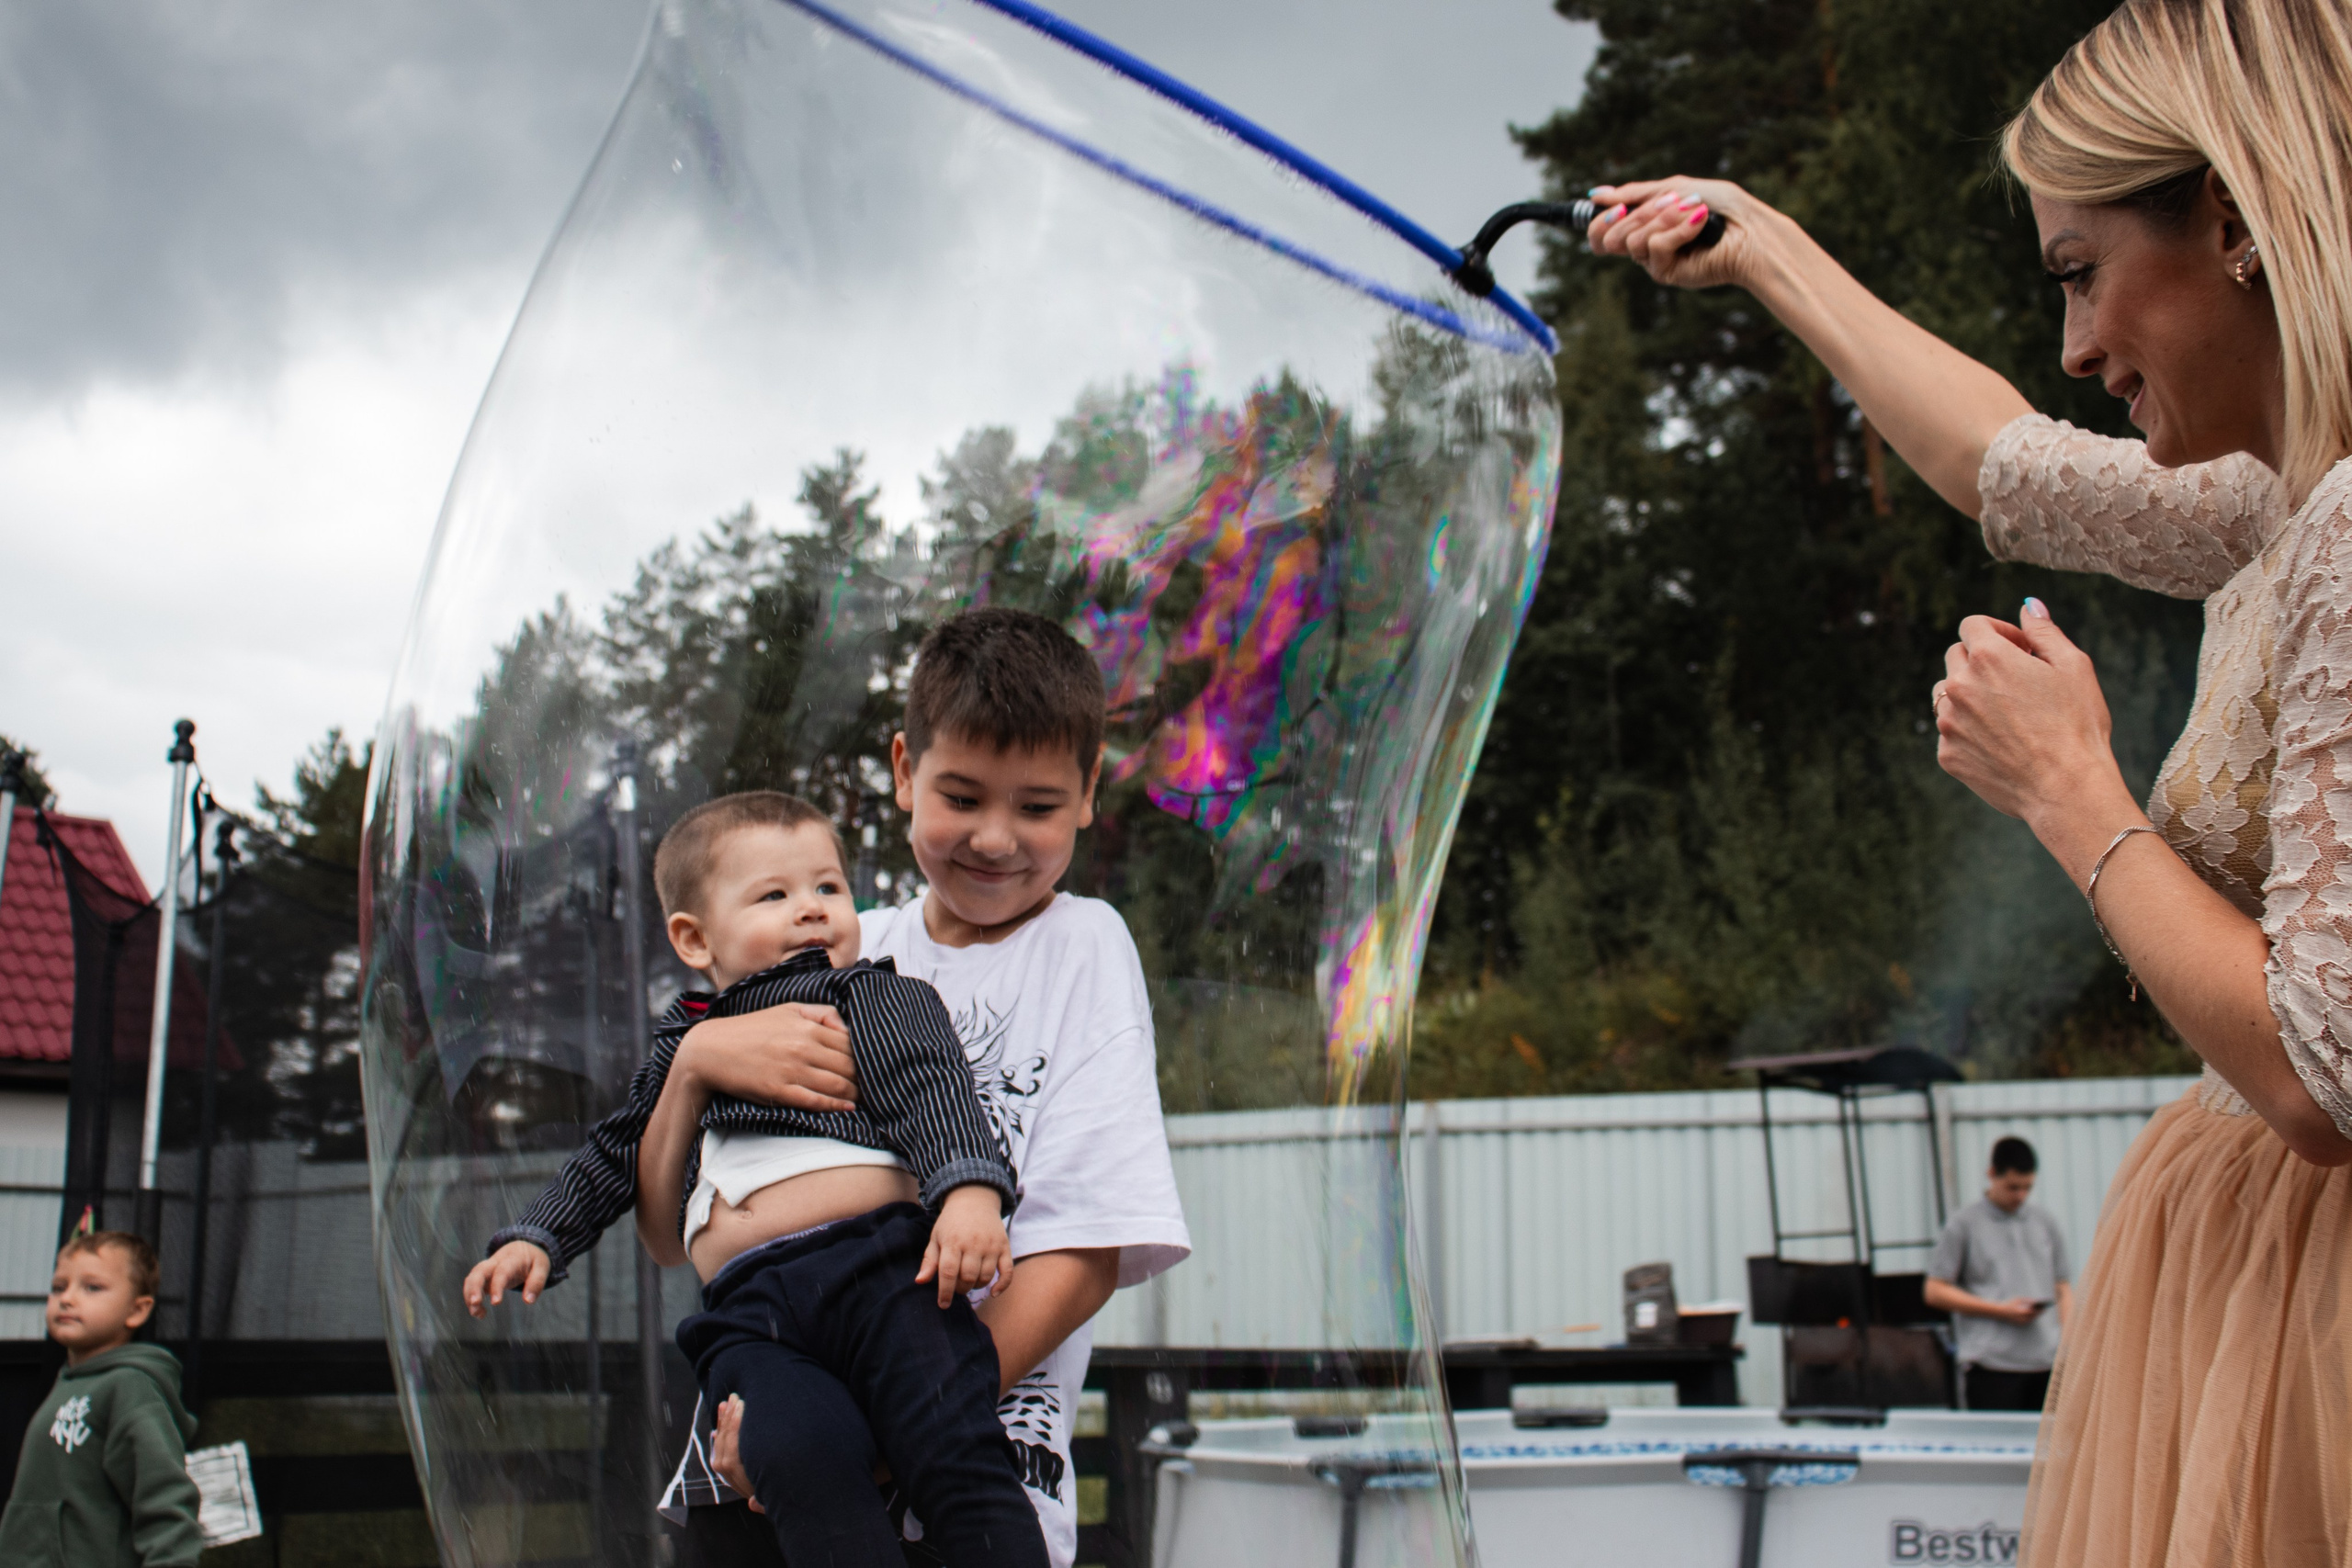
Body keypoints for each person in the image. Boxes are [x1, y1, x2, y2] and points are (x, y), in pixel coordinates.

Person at [1584, 0, 2352, 1558]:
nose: (2072, 345)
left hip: (2316, 1294)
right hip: (2250, 1273)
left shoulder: (2339, 523)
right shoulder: (2284, 497)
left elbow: (2323, 1067)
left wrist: (2073, 789)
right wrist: (1767, 247)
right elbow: (2001, 462)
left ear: (2232, 216)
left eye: (2082, 273)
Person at [645, 607, 1191, 1568]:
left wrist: (884, 1428)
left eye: (1035, 806)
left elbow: (1085, 1249)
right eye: (962, 795)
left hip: (965, 1480)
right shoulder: (837, 938)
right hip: (775, 1472)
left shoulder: (1081, 944)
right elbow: (692, 1226)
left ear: (1088, 793)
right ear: (903, 770)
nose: (994, 838)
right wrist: (691, 1068)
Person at [464, 789, 1045, 1568]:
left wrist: (969, 1192)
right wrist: (539, 1234)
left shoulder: (867, 992)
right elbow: (613, 1153)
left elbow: (929, 1083)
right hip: (749, 1310)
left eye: (828, 887)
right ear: (694, 937)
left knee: (952, 1442)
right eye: (775, 894)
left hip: (883, 1275)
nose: (811, 909)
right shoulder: (685, 1046)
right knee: (796, 1453)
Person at [0, 1232, 203, 1568]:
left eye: (92, 1287)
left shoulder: (129, 1387)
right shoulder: (69, 1382)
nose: (67, 1299)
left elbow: (166, 1500)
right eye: (58, 1287)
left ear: (137, 1310)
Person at [1925, 1137, 2073, 1412]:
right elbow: (1935, 1290)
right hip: (1991, 1365)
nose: (2020, 1196)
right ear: (1992, 1174)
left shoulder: (2045, 1221)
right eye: (2012, 1187)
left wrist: (2069, 1341)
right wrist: (1999, 1310)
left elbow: (2062, 1285)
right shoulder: (1963, 1225)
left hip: (2045, 1363)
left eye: (2027, 1188)